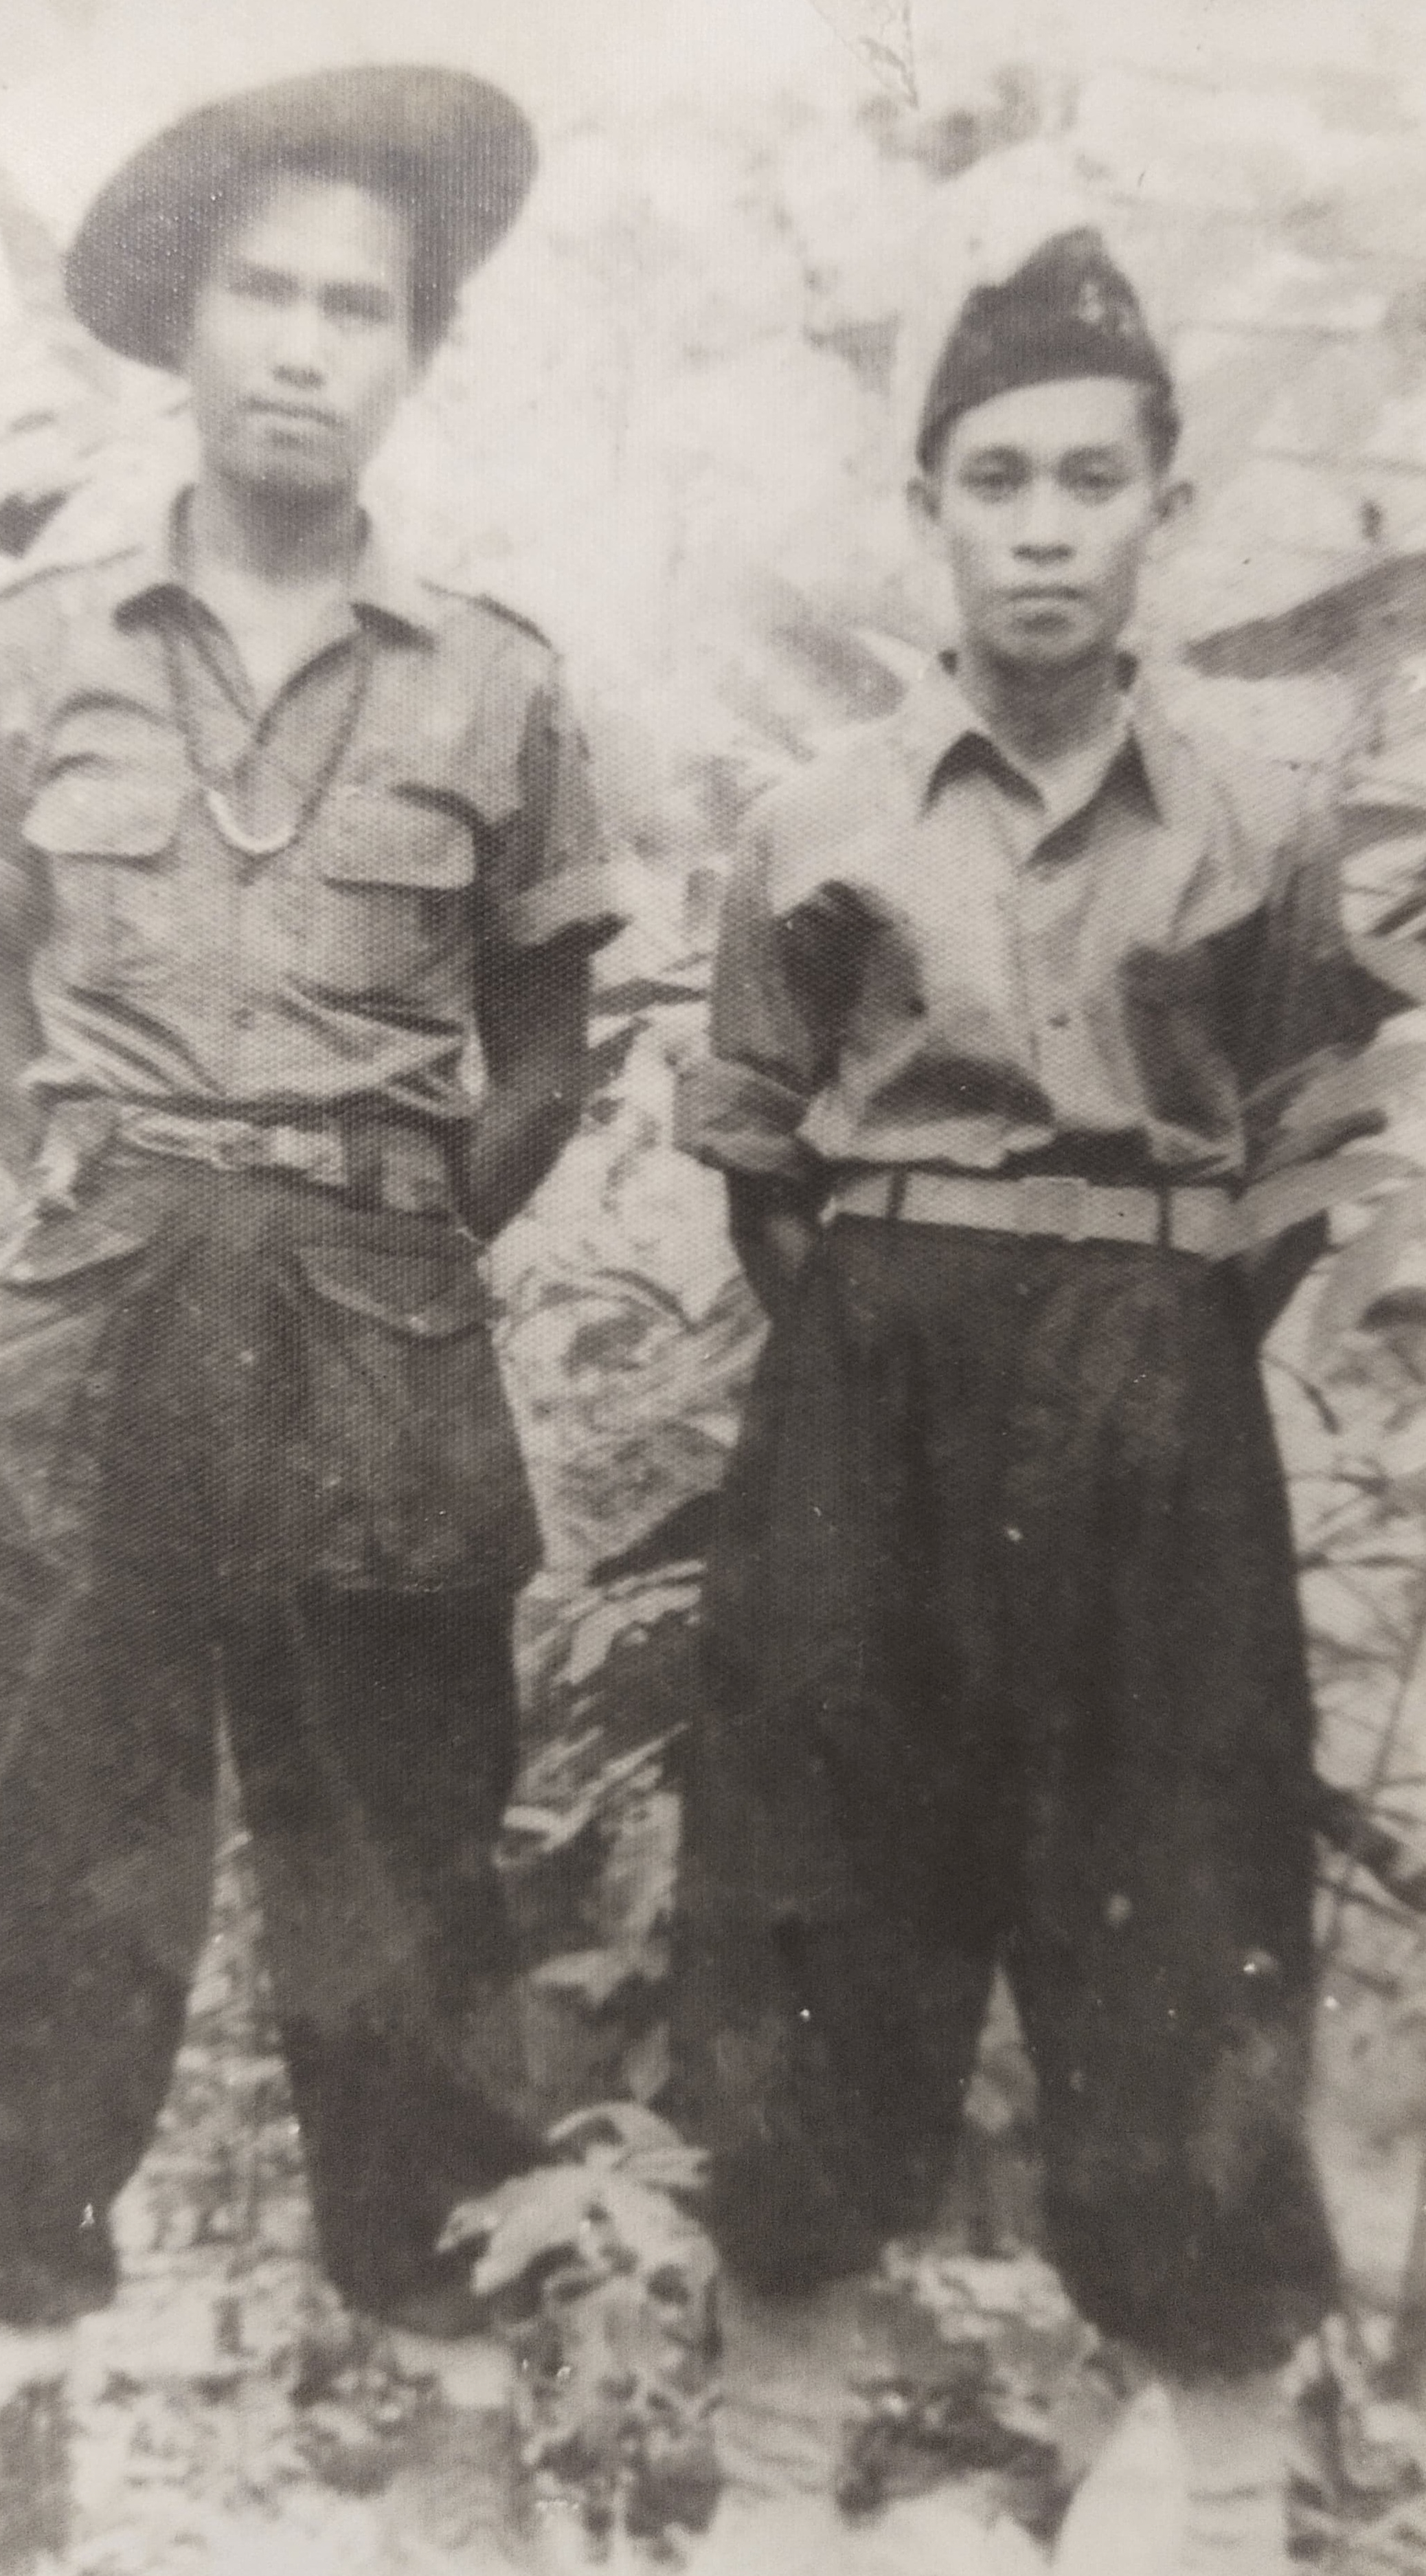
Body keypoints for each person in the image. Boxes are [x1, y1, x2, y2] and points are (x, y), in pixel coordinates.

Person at [0, 60, 618, 2465]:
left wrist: (388, 1229)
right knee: (52, 1818)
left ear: (417, 351)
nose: (302, 345)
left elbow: (546, 1040)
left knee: (397, 1828)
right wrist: (103, 1200)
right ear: (181, 328)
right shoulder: (29, 655)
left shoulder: (494, 682)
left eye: (356, 307)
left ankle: (437, 2317)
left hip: (373, 1304)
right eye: (260, 294)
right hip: (101, 1292)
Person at [671, 229, 1409, 2573]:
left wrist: (1132, 1338)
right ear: (929, 508)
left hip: (1154, 1416)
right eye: (995, 479)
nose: (1044, 526)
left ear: (1162, 508)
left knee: (1185, 1924)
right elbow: (765, 1167)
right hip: (868, 1400)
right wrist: (913, 1332)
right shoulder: (816, 822)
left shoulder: (1256, 825)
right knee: (813, 1902)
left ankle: (1217, 2503)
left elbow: (1289, 1156)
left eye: (1093, 478)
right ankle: (772, 2490)